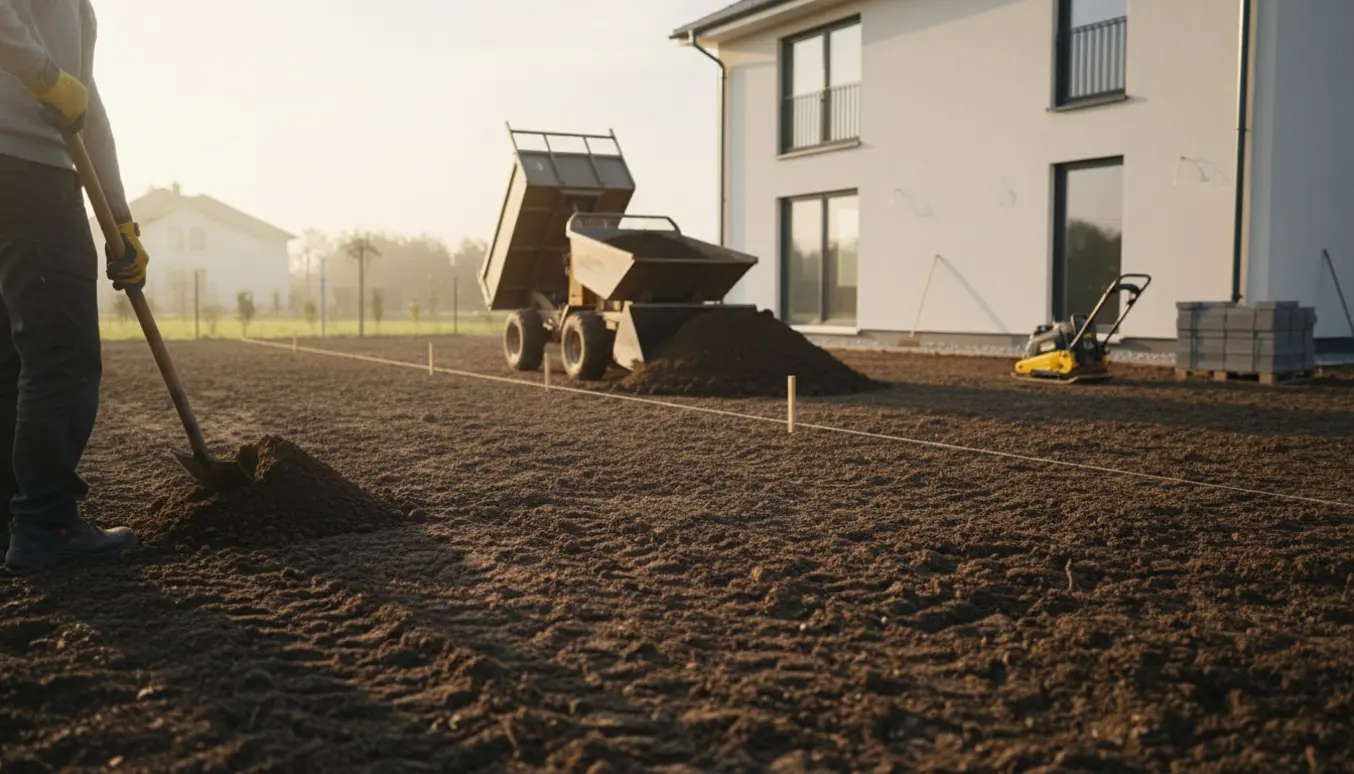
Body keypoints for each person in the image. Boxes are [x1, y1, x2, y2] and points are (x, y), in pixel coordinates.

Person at [0, 0, 147, 569]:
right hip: (29, 179)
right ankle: (46, 525)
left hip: (22, 175)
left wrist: (121, 218)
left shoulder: (76, 11)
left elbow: (85, 106)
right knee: (60, 354)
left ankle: (15, 518)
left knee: (13, 357)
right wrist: (43, 74)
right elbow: (61, 86)